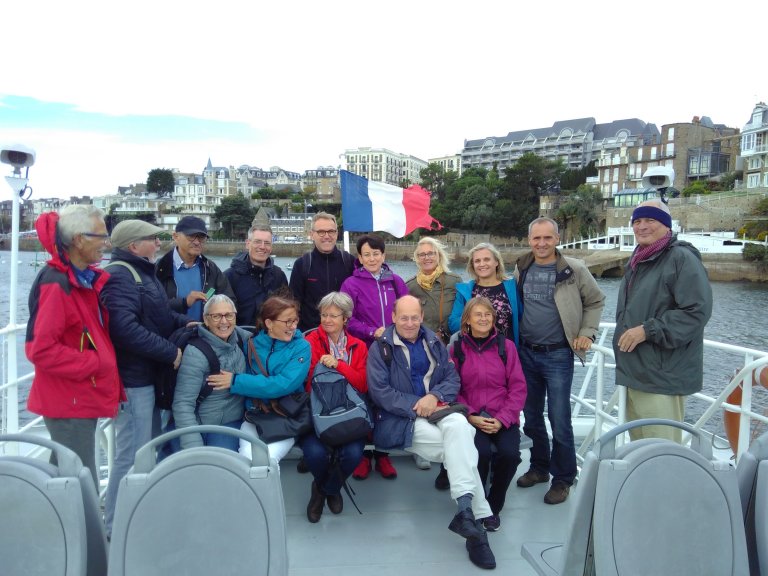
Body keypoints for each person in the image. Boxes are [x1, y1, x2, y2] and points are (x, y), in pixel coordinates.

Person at [366, 295, 496, 570]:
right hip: (401, 419)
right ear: (393, 317)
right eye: (404, 317)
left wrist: (434, 395)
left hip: (439, 409)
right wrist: (418, 405)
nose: (410, 323)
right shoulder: (380, 349)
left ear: (422, 317)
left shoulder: (435, 343)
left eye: (415, 317)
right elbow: (380, 393)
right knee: (461, 448)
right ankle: (475, 520)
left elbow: (452, 378)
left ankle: (466, 515)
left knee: (460, 427)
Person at [101, 219, 194, 536]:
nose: (159, 244)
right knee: (131, 453)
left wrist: (190, 324)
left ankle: (138, 512)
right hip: (133, 381)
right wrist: (170, 352)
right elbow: (123, 329)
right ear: (133, 246)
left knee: (148, 447)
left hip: (148, 377)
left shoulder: (143, 274)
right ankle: (115, 524)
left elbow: (161, 315)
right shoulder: (119, 277)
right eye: (153, 240)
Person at [25, 205, 122, 490]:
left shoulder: (74, 279)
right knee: (79, 481)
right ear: (79, 239)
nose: (107, 243)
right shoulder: (58, 283)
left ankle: (58, 531)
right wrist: (96, 363)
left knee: (66, 476)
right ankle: (83, 535)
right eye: (101, 236)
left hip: (75, 397)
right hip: (70, 400)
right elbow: (40, 349)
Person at [513, 217, 605, 505]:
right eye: (536, 238)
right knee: (531, 415)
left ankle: (563, 478)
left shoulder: (573, 269)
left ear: (557, 238)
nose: (542, 244)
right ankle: (540, 467)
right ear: (529, 240)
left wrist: (587, 333)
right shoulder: (522, 267)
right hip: (526, 352)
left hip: (557, 354)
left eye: (547, 238)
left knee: (560, 418)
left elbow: (596, 301)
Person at [614, 200, 713, 443]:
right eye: (637, 221)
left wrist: (647, 330)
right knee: (640, 449)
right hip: (636, 373)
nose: (642, 226)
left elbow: (696, 311)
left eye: (650, 220)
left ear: (666, 226)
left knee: (662, 449)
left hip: (662, 376)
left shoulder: (680, 258)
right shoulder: (639, 260)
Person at [450, 297, 527, 532]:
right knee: (480, 454)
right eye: (477, 315)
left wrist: (503, 419)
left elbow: (518, 387)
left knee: (509, 455)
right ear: (468, 320)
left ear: (493, 319)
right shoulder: (457, 349)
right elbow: (453, 388)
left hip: (502, 415)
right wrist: (470, 415)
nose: (483, 319)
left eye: (487, 315)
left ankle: (493, 506)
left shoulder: (506, 347)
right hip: (472, 417)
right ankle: (476, 504)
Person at [207, 295, 311, 462]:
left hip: (285, 416)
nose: (293, 326)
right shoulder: (251, 343)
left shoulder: (301, 347)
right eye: (287, 322)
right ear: (269, 323)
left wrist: (236, 381)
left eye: (295, 321)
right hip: (255, 414)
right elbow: (227, 329)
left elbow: (283, 384)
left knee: (268, 459)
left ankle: (270, 489)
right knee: (247, 459)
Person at [340, 233, 406, 480]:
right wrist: (371, 331)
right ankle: (364, 456)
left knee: (387, 401)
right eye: (366, 254)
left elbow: (405, 311)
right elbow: (347, 319)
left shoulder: (396, 281)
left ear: (384, 255)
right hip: (364, 350)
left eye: (376, 253)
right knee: (364, 400)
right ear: (359, 257)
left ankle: (383, 453)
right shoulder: (351, 284)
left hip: (394, 350)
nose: (372, 258)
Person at [301, 292, 368, 523]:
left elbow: (362, 384)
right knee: (315, 453)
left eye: (333, 315)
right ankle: (329, 486)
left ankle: (325, 489)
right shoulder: (309, 342)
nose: (327, 320)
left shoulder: (358, 347)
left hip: (350, 412)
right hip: (318, 411)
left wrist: (338, 365)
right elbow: (309, 382)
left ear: (346, 318)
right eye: (323, 315)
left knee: (353, 453)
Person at [407, 237, 462, 471]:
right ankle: (423, 448)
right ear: (416, 259)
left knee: (448, 392)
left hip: (449, 346)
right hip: (420, 347)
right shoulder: (409, 286)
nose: (427, 257)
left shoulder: (454, 281)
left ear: (439, 255)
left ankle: (452, 446)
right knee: (422, 390)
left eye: (431, 253)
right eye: (422, 254)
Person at [173, 295, 252, 450]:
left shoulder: (241, 339)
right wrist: (193, 447)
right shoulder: (196, 353)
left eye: (229, 315)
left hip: (233, 421)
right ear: (206, 320)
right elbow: (183, 403)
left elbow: (267, 340)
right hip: (203, 423)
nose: (224, 321)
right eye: (216, 316)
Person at [155, 215, 235, 321]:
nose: (197, 242)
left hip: (205, 335)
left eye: (201, 237)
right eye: (191, 236)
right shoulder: (159, 268)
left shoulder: (211, 268)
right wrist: (185, 302)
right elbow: (152, 307)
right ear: (175, 237)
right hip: (170, 335)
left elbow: (229, 301)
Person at [288, 212, 354, 332]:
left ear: (337, 233)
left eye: (331, 231)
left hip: (343, 333)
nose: (327, 236)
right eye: (321, 232)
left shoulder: (349, 261)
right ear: (312, 234)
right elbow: (293, 304)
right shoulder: (302, 264)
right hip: (310, 333)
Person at [448, 243, 519, 343]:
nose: (482, 264)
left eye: (486, 259)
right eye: (477, 261)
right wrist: (473, 318)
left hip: (506, 353)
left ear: (496, 262)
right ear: (472, 265)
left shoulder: (512, 287)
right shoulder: (465, 290)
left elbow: (522, 318)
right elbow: (453, 324)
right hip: (476, 353)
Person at [225, 224, 288, 326]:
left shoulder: (279, 276)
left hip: (271, 338)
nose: (262, 247)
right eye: (257, 242)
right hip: (239, 338)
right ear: (247, 244)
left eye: (267, 243)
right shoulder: (229, 277)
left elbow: (287, 309)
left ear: (271, 247)